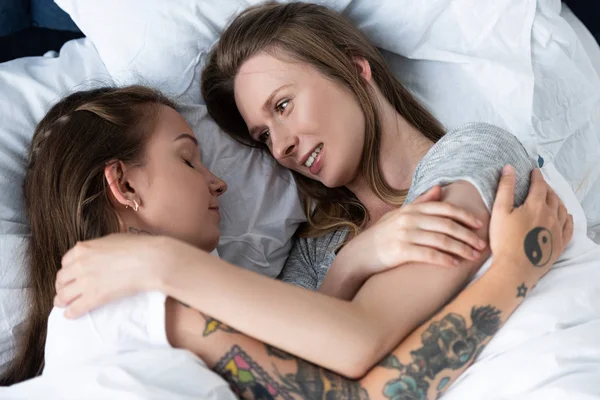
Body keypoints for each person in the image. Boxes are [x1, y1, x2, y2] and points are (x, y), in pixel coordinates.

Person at [1, 82, 570, 400]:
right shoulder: (136, 302)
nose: (217, 179)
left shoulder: (134, 308)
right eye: (187, 158)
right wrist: (511, 272)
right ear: (123, 184)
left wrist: (352, 260)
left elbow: (317, 366)